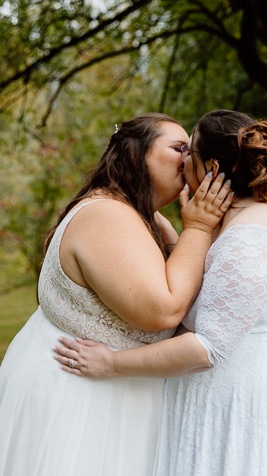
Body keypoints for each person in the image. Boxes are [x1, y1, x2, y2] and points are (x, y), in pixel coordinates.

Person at [53, 109, 267, 475]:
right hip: (238, 397)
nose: (182, 159)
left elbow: (206, 347)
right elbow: (207, 285)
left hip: (249, 409)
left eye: (190, 153)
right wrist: (182, 230)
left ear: (212, 170)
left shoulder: (249, 239)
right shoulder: (247, 212)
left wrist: (110, 363)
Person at [0, 113, 233, 476]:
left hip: (118, 393)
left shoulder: (146, 219)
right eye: (178, 148)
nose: (190, 160)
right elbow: (164, 310)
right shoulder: (108, 215)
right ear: (138, 154)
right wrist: (200, 226)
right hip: (77, 394)